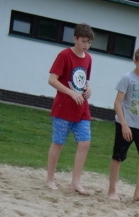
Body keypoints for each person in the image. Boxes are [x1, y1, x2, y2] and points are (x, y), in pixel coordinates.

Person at [45, 23, 94, 194]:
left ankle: (76, 182)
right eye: (83, 41)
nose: (86, 45)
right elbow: (52, 79)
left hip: (82, 108)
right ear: (75, 39)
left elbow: (83, 80)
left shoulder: (88, 58)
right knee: (58, 143)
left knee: (85, 142)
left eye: (89, 42)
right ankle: (50, 179)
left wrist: (87, 89)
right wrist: (71, 93)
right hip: (63, 107)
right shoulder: (64, 55)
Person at [107, 47, 139, 202]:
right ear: (135, 61)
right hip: (126, 124)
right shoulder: (127, 78)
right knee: (118, 157)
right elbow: (117, 103)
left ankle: (138, 193)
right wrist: (124, 124)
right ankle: (112, 190)